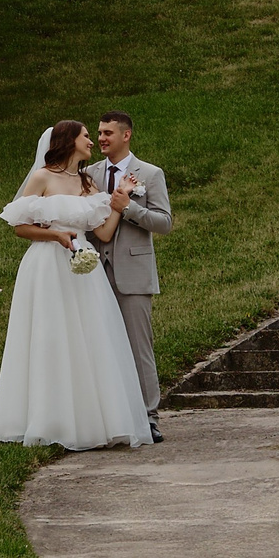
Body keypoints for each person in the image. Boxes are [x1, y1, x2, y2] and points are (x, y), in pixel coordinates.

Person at [0, 120, 152, 451]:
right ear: (69, 140)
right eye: (86, 136)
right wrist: (56, 236)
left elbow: (103, 233)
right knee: (50, 335)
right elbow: (20, 227)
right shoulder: (42, 177)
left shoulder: (87, 182)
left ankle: (91, 420)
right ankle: (48, 418)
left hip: (84, 267)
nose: (92, 142)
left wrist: (119, 203)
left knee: (90, 337)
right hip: (47, 264)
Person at [87, 111, 171, 442]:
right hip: (94, 274)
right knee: (101, 347)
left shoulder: (150, 173)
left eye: (107, 133)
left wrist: (129, 207)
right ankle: (111, 417)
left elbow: (164, 222)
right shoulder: (89, 174)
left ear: (126, 135)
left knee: (139, 348)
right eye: (99, 133)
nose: (101, 138)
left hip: (133, 274)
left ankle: (149, 417)